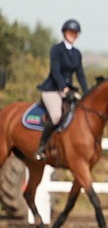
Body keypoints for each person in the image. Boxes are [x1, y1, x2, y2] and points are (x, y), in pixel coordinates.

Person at [35, 19, 89, 161]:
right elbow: (55, 71)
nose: (73, 34)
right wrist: (63, 88)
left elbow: (80, 75)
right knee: (56, 116)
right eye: (71, 32)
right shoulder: (56, 49)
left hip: (68, 90)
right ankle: (41, 147)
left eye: (76, 32)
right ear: (65, 32)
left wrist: (88, 92)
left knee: (83, 111)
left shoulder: (77, 53)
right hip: (52, 89)